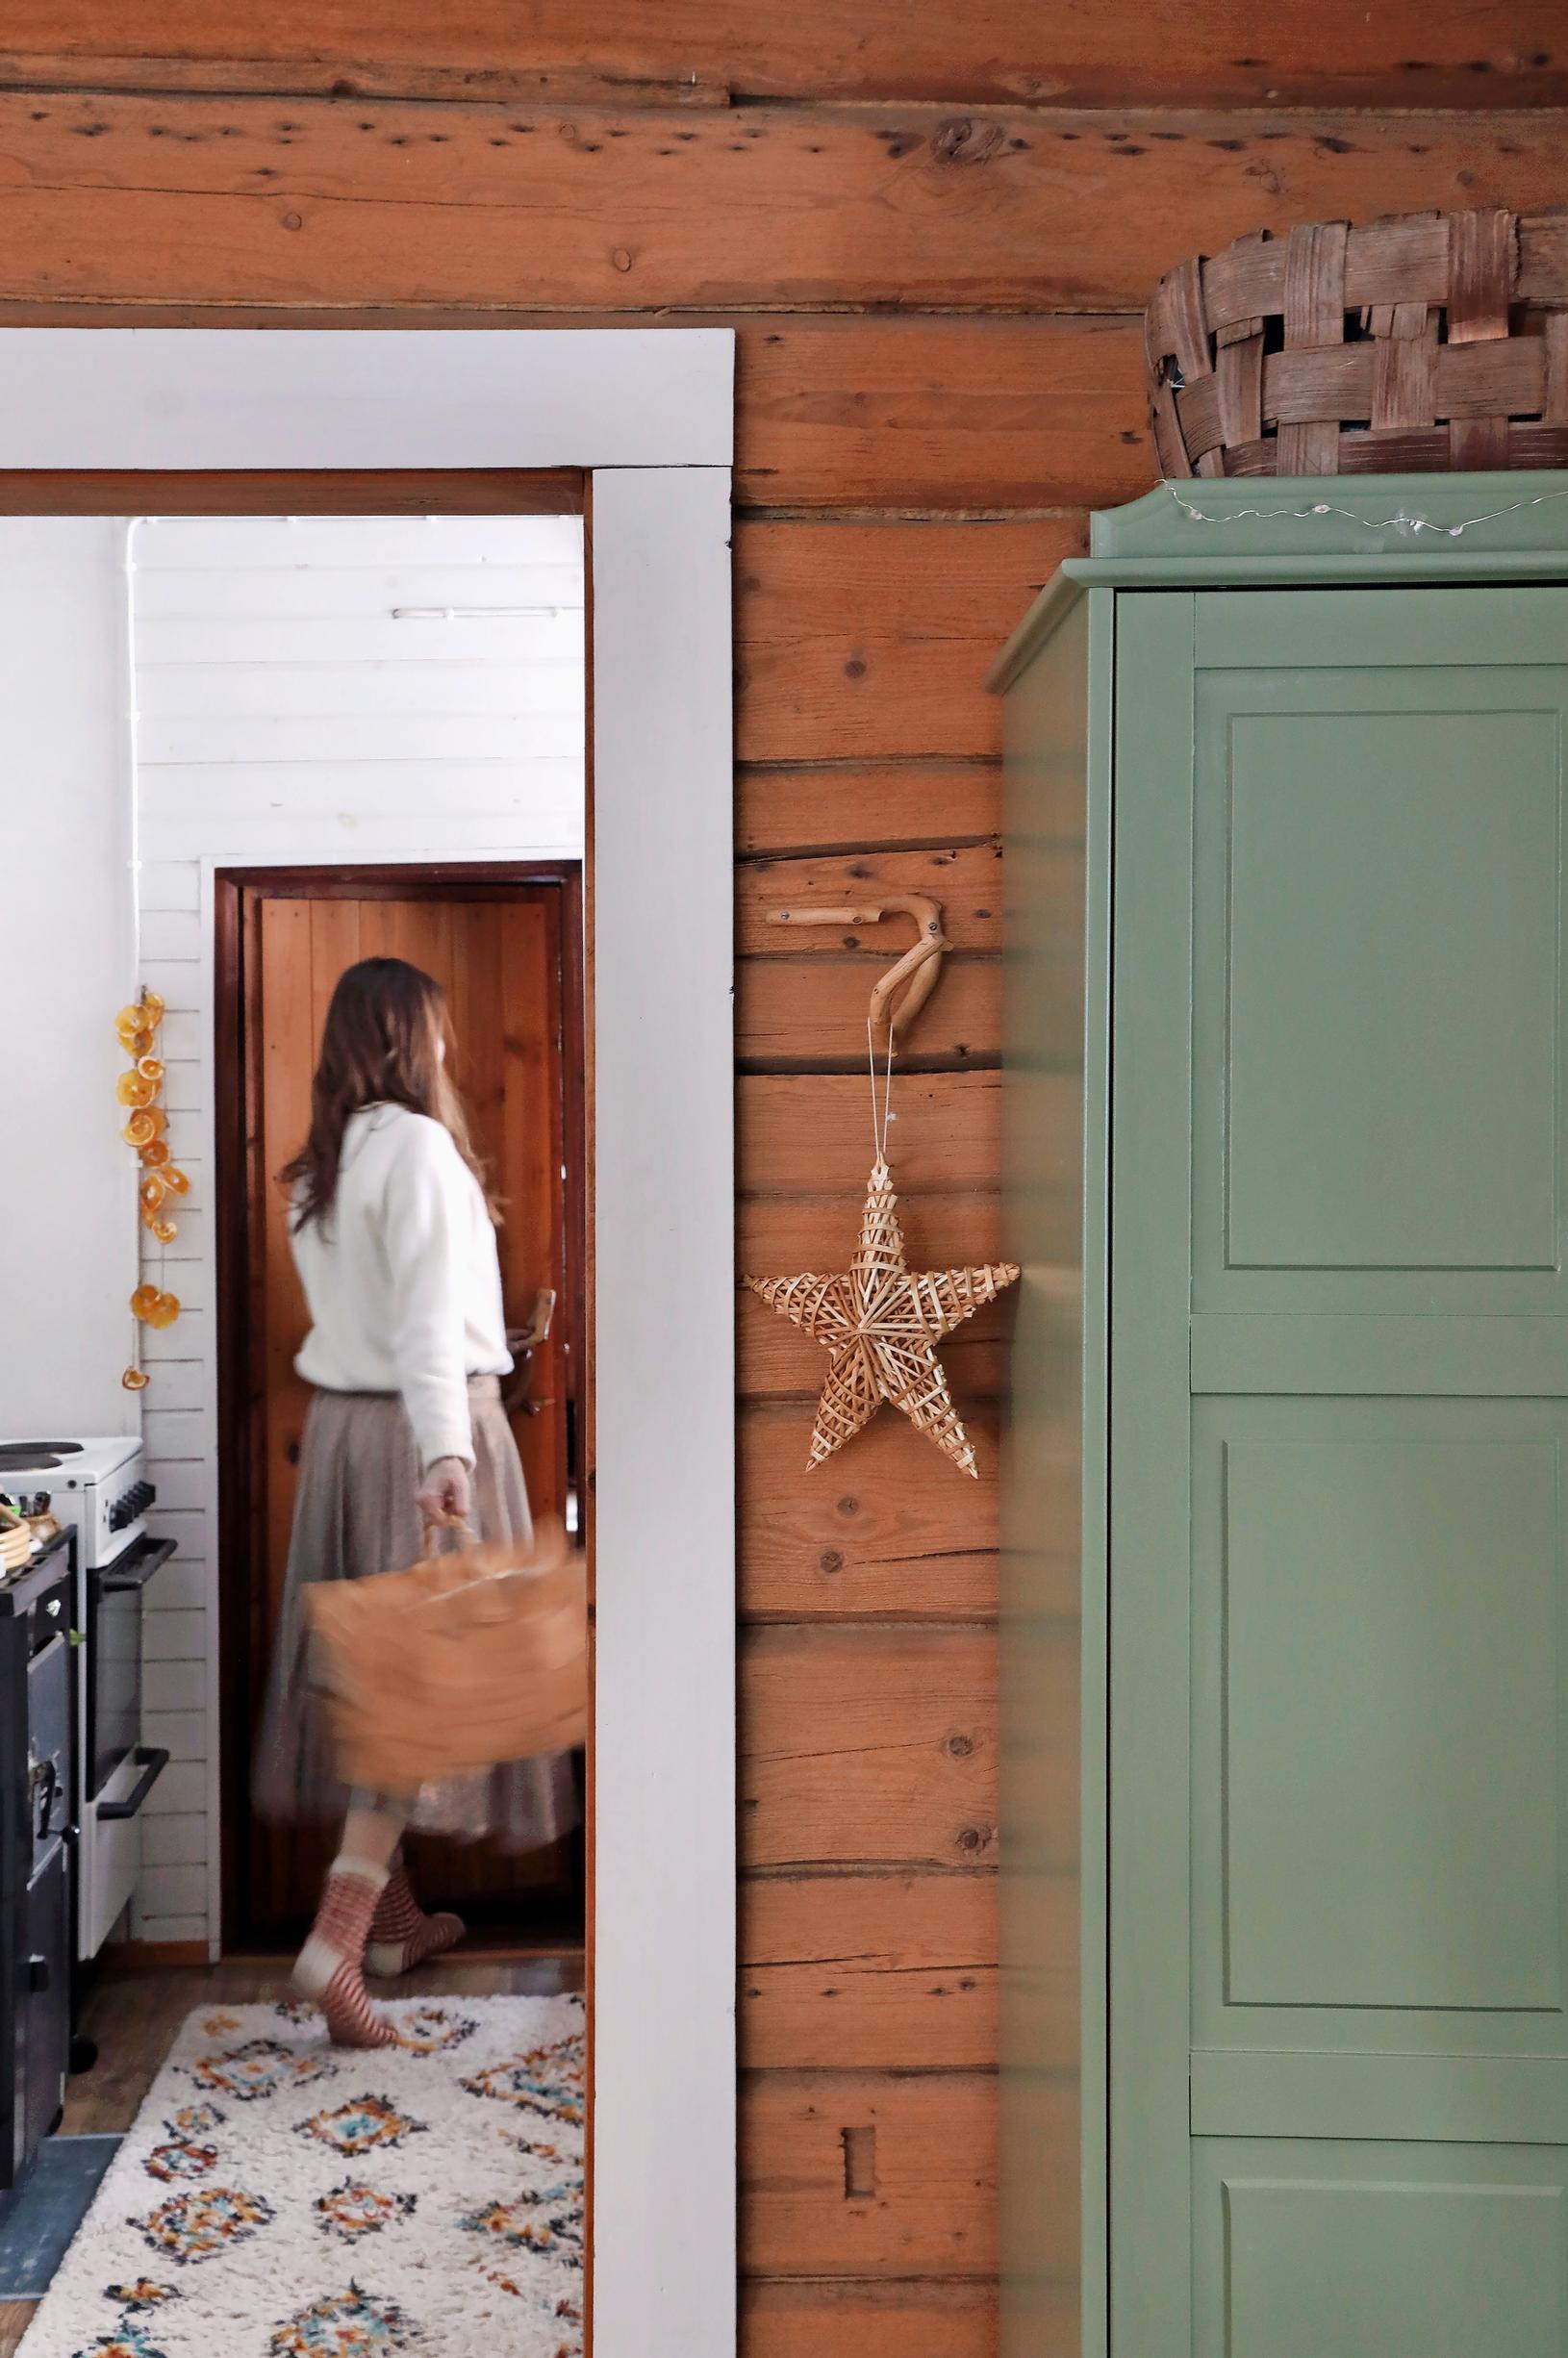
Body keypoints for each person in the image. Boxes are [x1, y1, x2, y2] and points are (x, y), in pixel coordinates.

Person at [253, 954, 576, 2046]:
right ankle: (336, 1949)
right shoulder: (423, 1149)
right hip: (416, 1435)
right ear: (408, 1038)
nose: (443, 1050)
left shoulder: (323, 1167)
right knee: (416, 1702)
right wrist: (450, 1450)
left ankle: (392, 1929)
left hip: (346, 1438)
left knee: (376, 1685)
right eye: (432, 1032)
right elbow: (431, 1326)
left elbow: (387, 1315)